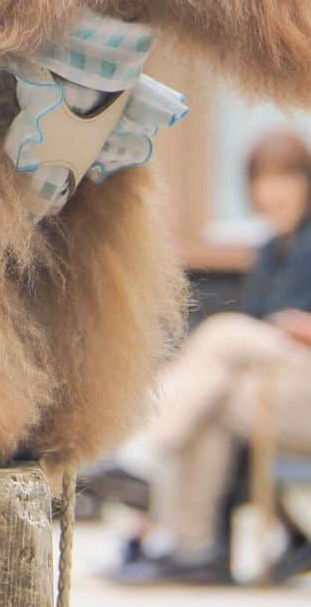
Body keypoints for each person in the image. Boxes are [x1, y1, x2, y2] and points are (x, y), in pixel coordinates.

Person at [103, 129, 311, 586]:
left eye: (285, 180)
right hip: (274, 386)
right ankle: (193, 548)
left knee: (223, 334)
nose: (272, 192)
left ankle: (142, 456)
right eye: (263, 180)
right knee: (210, 403)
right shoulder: (270, 251)